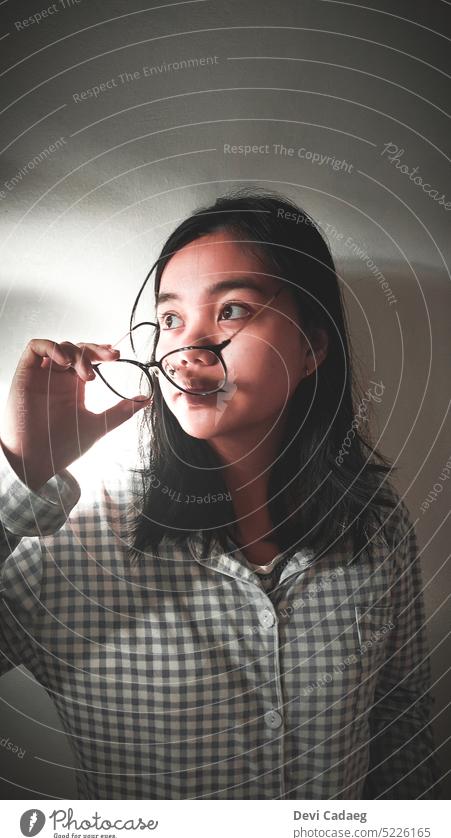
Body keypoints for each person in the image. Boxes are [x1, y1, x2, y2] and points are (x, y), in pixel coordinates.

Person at [0, 190, 441, 800]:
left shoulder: (373, 527)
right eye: (173, 319)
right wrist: (24, 473)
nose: (188, 352)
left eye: (231, 310)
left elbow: (403, 728)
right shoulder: (75, 551)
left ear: (312, 347)